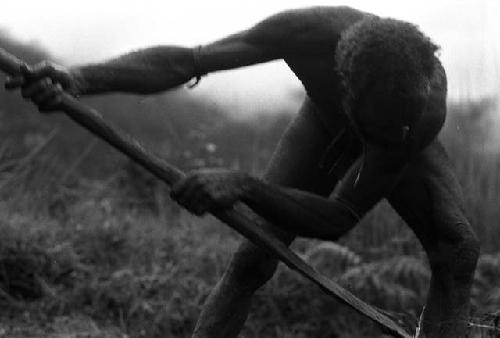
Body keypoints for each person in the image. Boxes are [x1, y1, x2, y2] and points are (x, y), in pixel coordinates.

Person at [5, 6, 480, 338]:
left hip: (400, 145)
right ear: (343, 81)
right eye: (382, 127)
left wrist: (244, 186)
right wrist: (82, 78)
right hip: (321, 122)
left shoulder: (415, 116)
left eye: (398, 125)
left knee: (456, 249)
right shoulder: (307, 33)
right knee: (253, 258)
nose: (391, 133)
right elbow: (185, 62)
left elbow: (338, 217)